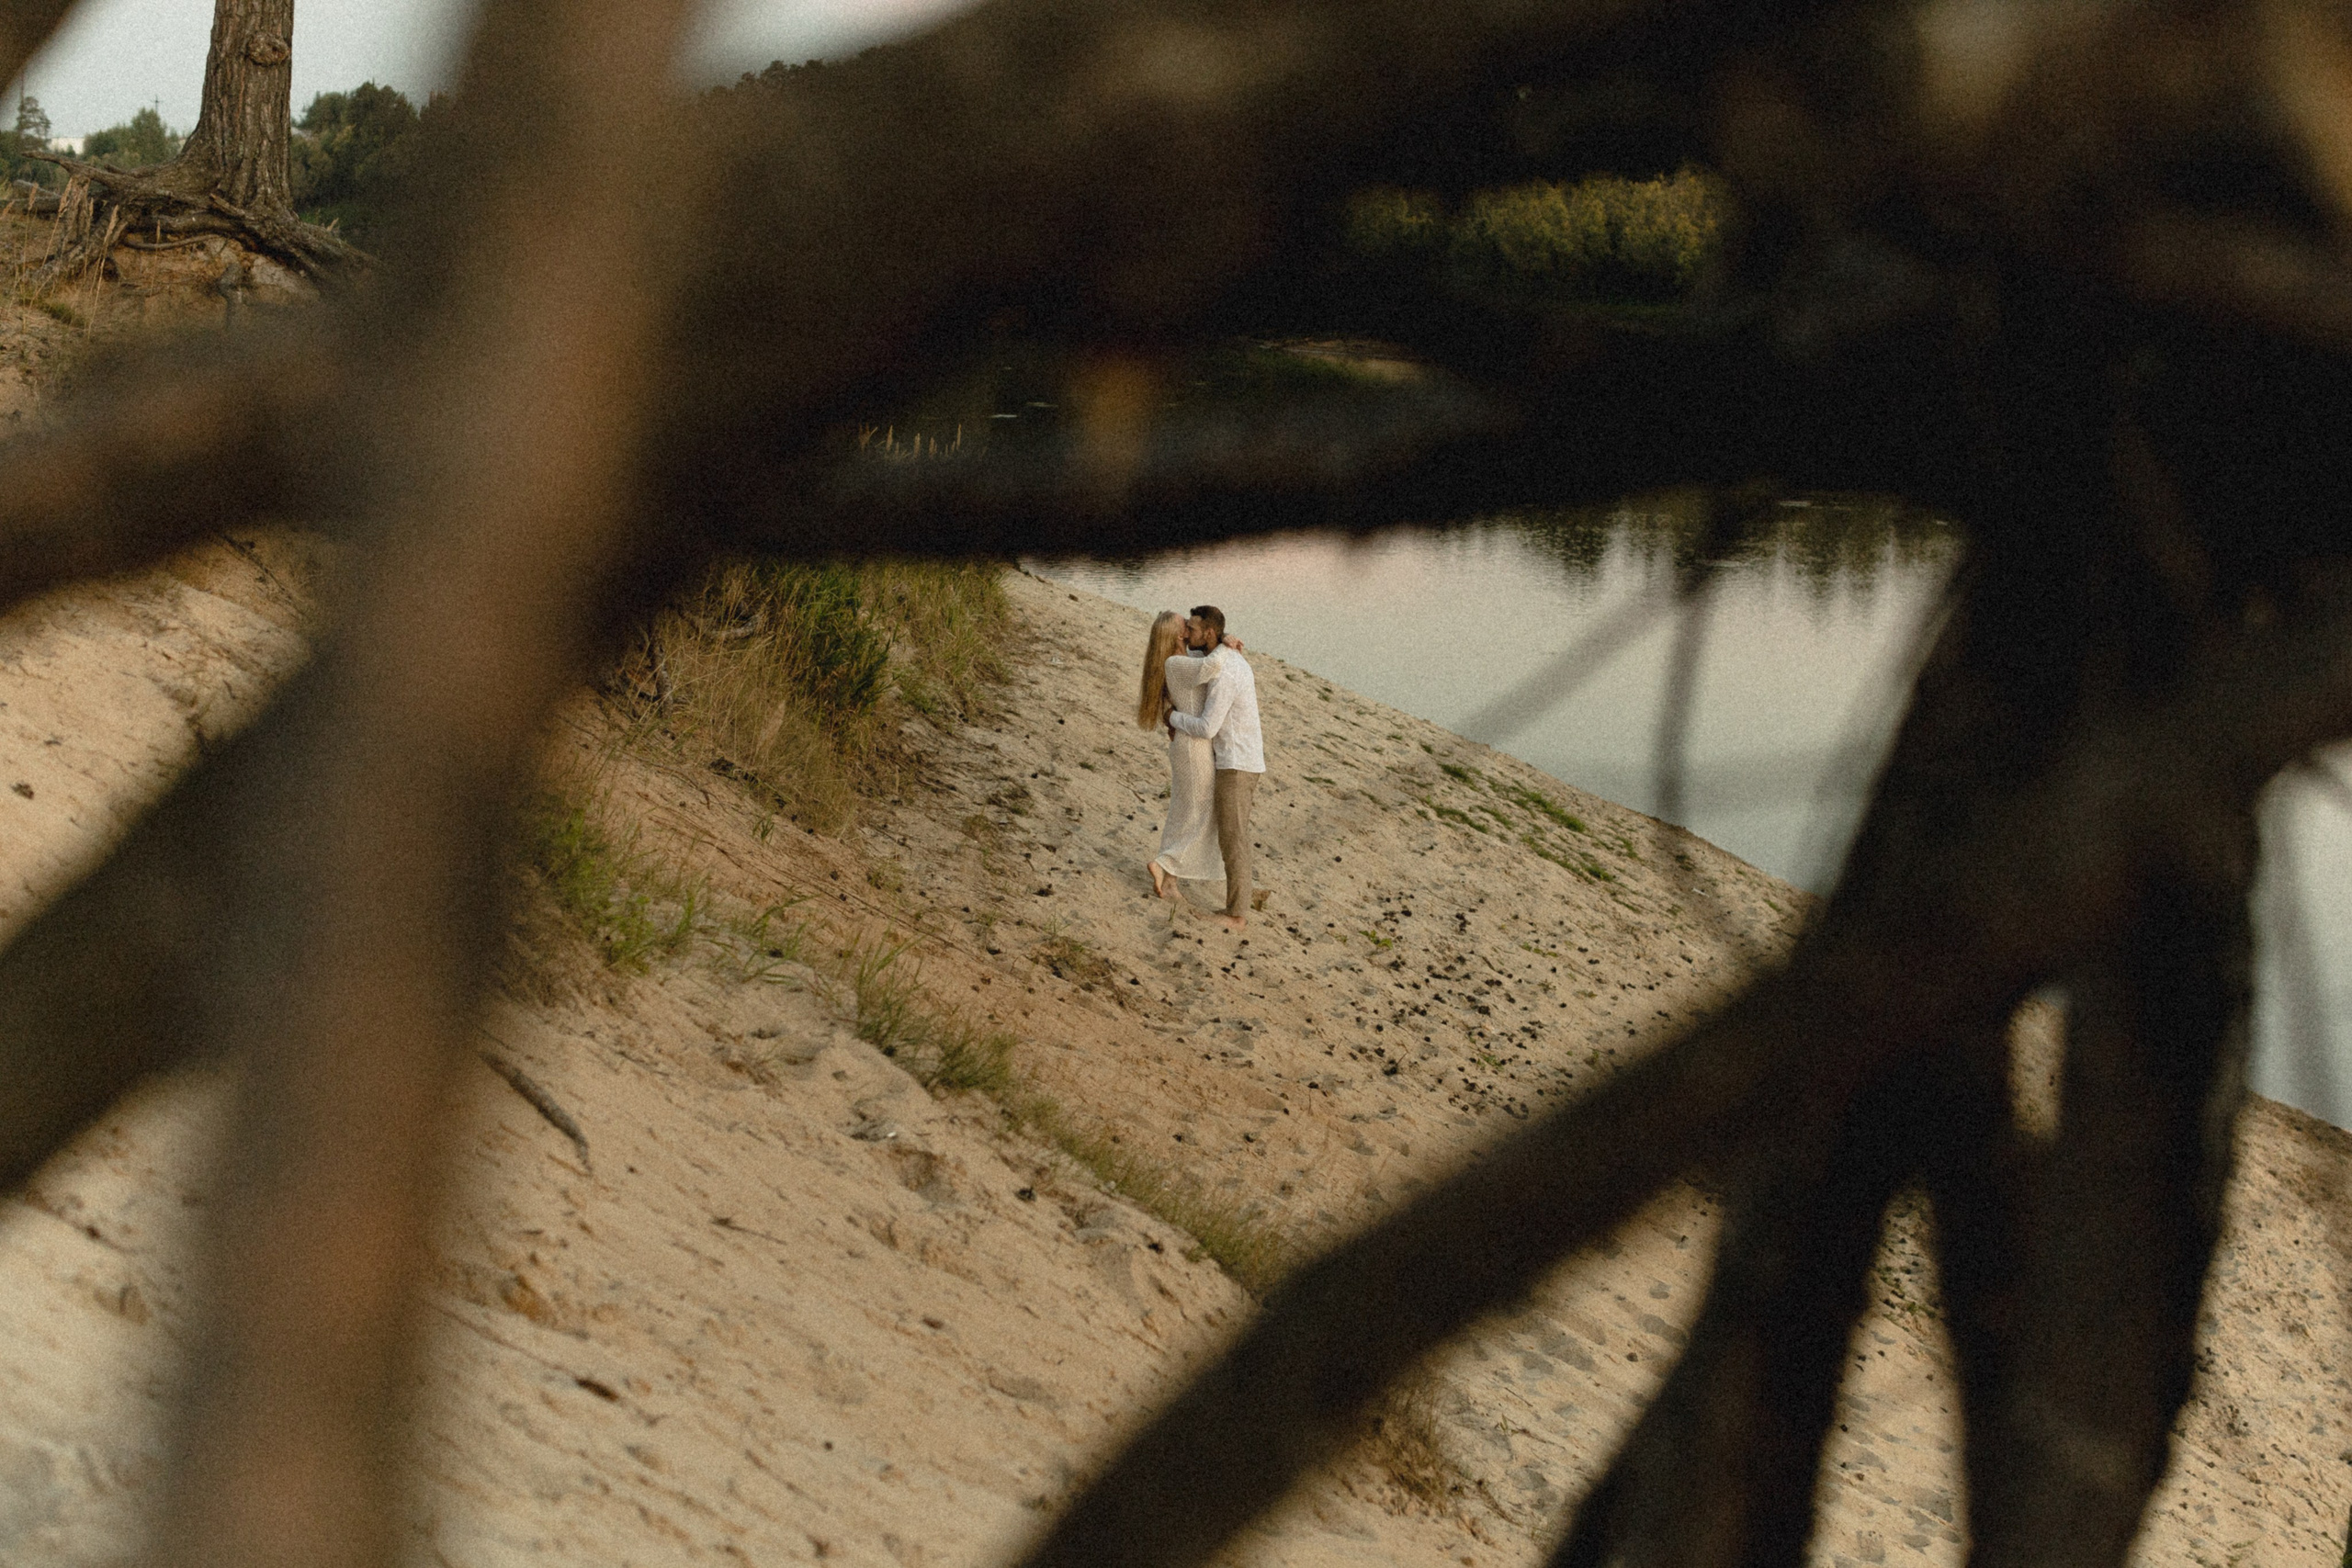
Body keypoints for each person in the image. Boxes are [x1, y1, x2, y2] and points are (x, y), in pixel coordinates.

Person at [1166, 604, 1264, 931]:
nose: (1186, 634)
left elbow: (1208, 727)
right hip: (1236, 761)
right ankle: (1239, 903)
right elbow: (1195, 661)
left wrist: (1171, 718)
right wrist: (1225, 640)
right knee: (1230, 836)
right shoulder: (1218, 657)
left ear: (1208, 633)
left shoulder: (1225, 672)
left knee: (1233, 839)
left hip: (1237, 765)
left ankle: (1236, 915)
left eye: (1192, 629)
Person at [1138, 611, 1223, 900]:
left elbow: (1206, 661)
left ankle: (1170, 880)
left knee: (1183, 812)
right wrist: (1225, 640)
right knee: (1201, 812)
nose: (1188, 624)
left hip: (1190, 743)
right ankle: (1164, 865)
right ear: (1178, 635)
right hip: (1192, 747)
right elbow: (1213, 665)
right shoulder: (1176, 663)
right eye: (1184, 623)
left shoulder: (1185, 659)